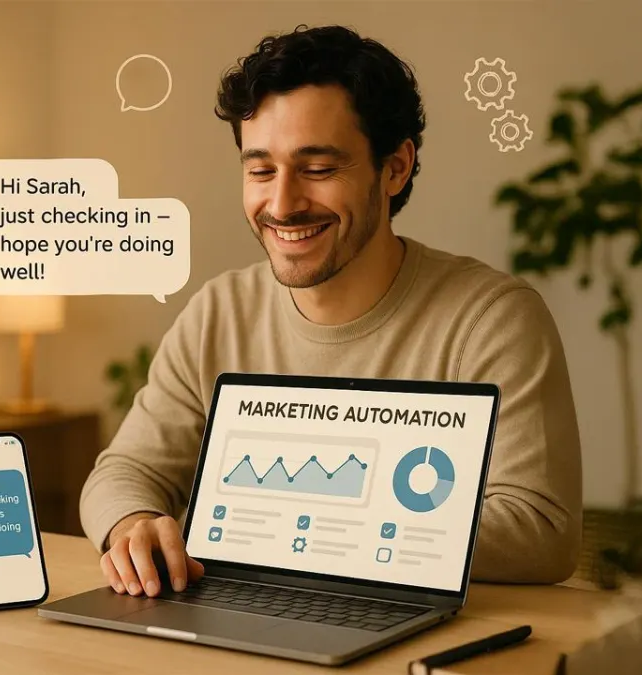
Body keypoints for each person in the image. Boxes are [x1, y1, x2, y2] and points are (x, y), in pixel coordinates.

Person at [79, 24, 582, 598]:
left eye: (317, 169)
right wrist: (132, 527)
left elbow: (542, 530)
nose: (283, 204)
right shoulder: (218, 312)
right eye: (261, 170)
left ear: (394, 168)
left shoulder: (492, 319)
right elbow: (122, 475)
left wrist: (295, 533)